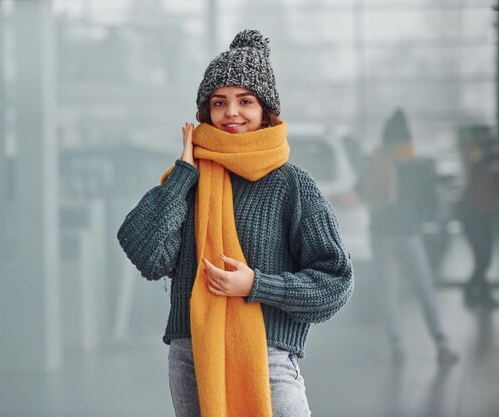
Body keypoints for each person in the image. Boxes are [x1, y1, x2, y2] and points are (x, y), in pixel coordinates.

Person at [117, 29, 353, 417]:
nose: (231, 112)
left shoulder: (290, 184)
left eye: (245, 101)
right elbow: (148, 256)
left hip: (269, 357)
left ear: (265, 112)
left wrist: (257, 285)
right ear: (204, 111)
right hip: (191, 355)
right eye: (219, 101)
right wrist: (183, 172)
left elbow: (335, 282)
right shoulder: (188, 179)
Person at [360, 109, 458, 364]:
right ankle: (441, 341)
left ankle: (396, 345)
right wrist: (418, 216)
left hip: (381, 234)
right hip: (409, 233)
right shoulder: (418, 166)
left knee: (389, 289)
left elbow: (361, 192)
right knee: (424, 286)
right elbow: (433, 201)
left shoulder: (376, 162)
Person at [456, 133, 499, 307]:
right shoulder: (480, 164)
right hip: (471, 215)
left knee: (485, 257)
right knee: (483, 256)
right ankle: (473, 292)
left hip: (485, 216)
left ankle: (479, 292)